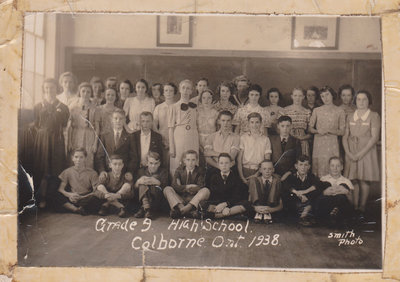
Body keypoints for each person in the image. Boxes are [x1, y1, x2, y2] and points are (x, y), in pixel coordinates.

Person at [342, 90, 380, 221]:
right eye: (359, 99)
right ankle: (354, 207)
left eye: (364, 99)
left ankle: (362, 209)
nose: (361, 102)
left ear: (369, 101)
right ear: (355, 101)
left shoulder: (374, 116)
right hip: (351, 152)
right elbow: (345, 137)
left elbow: (374, 138)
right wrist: (348, 153)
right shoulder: (350, 116)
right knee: (353, 179)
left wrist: (360, 154)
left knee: (364, 179)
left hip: (366, 151)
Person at [32, 78, 70, 208]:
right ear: (44, 89)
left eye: (52, 88)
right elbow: (36, 124)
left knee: (55, 168)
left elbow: (64, 124)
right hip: (42, 140)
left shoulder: (63, 107)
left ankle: (53, 199)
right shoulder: (38, 106)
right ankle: (41, 198)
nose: (49, 90)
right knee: (42, 168)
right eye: (47, 88)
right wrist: (43, 135)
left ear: (56, 89)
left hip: (57, 139)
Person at [309, 86, 346, 177]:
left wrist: (330, 130)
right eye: (322, 96)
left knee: (333, 167)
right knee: (319, 170)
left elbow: (342, 132)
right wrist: (318, 131)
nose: (325, 98)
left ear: (332, 95)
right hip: (319, 144)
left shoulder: (340, 111)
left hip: (332, 144)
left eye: (327, 95)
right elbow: (310, 129)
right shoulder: (316, 110)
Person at [163, 150, 210, 218]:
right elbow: (174, 186)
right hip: (181, 198)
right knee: (167, 189)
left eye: (193, 160)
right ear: (184, 160)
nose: (190, 163)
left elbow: (201, 186)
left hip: (193, 199)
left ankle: (183, 210)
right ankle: (185, 210)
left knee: (206, 190)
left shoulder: (200, 171)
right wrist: (187, 186)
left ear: (197, 160)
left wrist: (182, 187)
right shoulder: (179, 170)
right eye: (188, 160)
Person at [56, 148, 102, 215]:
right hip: (72, 197)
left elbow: (96, 191)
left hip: (86, 198)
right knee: (56, 196)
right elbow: (61, 189)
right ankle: (76, 209)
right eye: (76, 157)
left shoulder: (92, 173)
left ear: (85, 158)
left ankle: (75, 208)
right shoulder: (67, 171)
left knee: (97, 199)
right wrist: (69, 195)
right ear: (72, 158)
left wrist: (82, 197)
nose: (78, 160)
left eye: (81, 157)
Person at [168, 79, 199, 175]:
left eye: (188, 88)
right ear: (180, 90)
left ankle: (192, 183)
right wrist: (172, 147)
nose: (185, 91)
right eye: (183, 88)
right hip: (179, 135)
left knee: (192, 159)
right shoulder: (173, 107)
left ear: (191, 91)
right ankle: (176, 185)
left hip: (193, 135)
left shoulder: (195, 107)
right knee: (178, 160)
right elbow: (170, 128)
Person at [204, 153, 248, 219]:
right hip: (218, 203)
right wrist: (221, 205)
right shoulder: (214, 177)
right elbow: (214, 194)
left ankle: (219, 215)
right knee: (204, 204)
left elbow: (237, 196)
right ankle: (230, 214)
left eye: (226, 163)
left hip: (231, 203)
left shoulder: (236, 178)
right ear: (218, 164)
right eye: (221, 163)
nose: (224, 165)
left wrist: (226, 205)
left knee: (246, 204)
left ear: (230, 164)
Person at [94, 109, 133, 182]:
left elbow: (133, 157)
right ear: (112, 120)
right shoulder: (105, 135)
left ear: (124, 120)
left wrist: (129, 171)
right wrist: (102, 170)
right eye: (116, 118)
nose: (118, 121)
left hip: (124, 173)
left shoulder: (130, 136)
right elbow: (100, 156)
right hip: (107, 172)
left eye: (121, 119)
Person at [282, 155, 321, 226]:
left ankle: (306, 214)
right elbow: (286, 186)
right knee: (287, 195)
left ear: (309, 166)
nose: (303, 167)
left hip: (307, 200)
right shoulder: (292, 177)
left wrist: (305, 192)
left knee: (317, 195)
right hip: (296, 201)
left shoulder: (311, 177)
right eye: (301, 165)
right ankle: (302, 216)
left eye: (306, 165)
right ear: (296, 166)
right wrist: (298, 194)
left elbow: (317, 185)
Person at [315, 157, 354, 226]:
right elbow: (318, 197)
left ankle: (336, 214)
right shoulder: (323, 179)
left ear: (342, 167)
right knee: (326, 187)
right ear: (329, 167)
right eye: (332, 166)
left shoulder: (347, 181)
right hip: (326, 204)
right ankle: (331, 215)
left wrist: (346, 192)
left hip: (341, 205)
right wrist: (324, 192)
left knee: (342, 191)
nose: (335, 168)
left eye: (338, 166)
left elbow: (351, 200)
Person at [204, 111, 240, 183]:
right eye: (223, 120)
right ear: (219, 121)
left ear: (231, 122)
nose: (225, 123)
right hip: (214, 168)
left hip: (230, 169)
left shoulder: (236, 137)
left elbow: (232, 156)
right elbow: (206, 155)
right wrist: (218, 166)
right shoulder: (212, 136)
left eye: (228, 121)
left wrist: (212, 153)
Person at [67, 82, 97, 168]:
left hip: (89, 134)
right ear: (79, 92)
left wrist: (95, 143)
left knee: (88, 157)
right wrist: (69, 141)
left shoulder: (94, 107)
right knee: (76, 156)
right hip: (76, 133)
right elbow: (69, 126)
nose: (85, 94)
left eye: (88, 92)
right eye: (83, 91)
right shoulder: (73, 106)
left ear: (91, 93)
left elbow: (96, 126)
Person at [237, 112, 272, 185]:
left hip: (260, 171)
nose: (254, 125)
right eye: (252, 122)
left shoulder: (266, 139)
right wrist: (242, 177)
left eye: (257, 122)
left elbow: (267, 160)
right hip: (245, 170)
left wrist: (257, 174)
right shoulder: (243, 138)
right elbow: (239, 159)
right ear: (248, 124)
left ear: (261, 123)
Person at [133, 151, 168, 219]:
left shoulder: (163, 172)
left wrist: (157, 182)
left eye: (156, 163)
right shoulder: (141, 171)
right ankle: (147, 209)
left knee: (155, 178)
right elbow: (134, 189)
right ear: (147, 163)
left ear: (159, 163)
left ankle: (144, 208)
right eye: (151, 163)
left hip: (156, 199)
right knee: (142, 183)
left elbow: (166, 188)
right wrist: (138, 182)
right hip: (142, 198)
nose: (153, 166)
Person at [153, 82, 178, 171]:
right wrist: (161, 139)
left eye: (171, 91)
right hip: (162, 140)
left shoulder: (178, 107)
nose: (168, 93)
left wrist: (173, 142)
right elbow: (154, 125)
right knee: (163, 163)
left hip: (176, 139)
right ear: (163, 93)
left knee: (175, 165)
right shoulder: (158, 108)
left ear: (174, 92)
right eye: (166, 90)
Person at [280, 87, 312, 156]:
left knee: (302, 160)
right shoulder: (284, 110)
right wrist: (290, 135)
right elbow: (279, 127)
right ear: (292, 96)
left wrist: (303, 137)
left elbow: (310, 130)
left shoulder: (307, 112)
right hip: (288, 138)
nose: (297, 98)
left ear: (303, 97)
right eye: (295, 95)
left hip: (302, 140)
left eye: (300, 96)